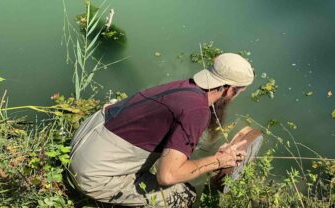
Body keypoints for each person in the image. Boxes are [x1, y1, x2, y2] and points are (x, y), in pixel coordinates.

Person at [68, 53, 255, 207]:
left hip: (83, 142)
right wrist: (218, 161)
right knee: (183, 196)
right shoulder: (197, 111)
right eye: (239, 92)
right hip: (91, 174)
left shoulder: (185, 87)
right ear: (229, 89)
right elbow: (167, 176)